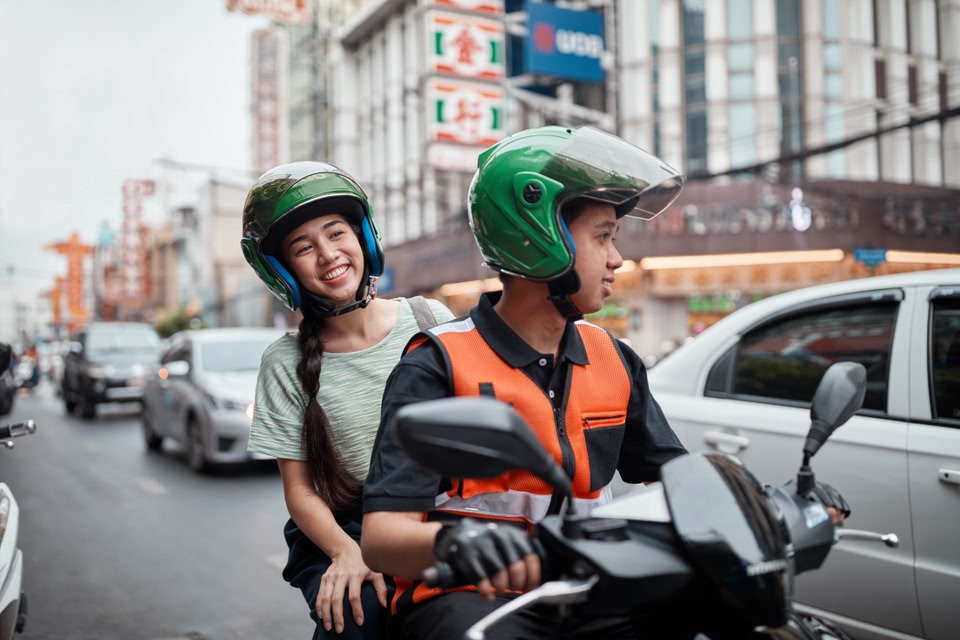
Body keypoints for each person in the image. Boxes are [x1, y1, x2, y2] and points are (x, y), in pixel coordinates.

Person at [359, 125, 691, 639]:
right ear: (539, 235)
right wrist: (454, 545)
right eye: (602, 237)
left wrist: (765, 504)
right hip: (467, 596)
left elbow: (676, 478)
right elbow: (381, 538)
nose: (617, 259)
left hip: (581, 592)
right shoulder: (438, 365)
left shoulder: (613, 358)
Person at [240, 161, 454, 640]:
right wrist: (346, 552)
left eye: (336, 233)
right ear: (282, 270)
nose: (327, 254)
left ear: (364, 239)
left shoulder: (428, 318)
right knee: (355, 616)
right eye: (303, 247)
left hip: (432, 513)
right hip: (344, 526)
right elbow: (299, 491)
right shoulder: (285, 361)